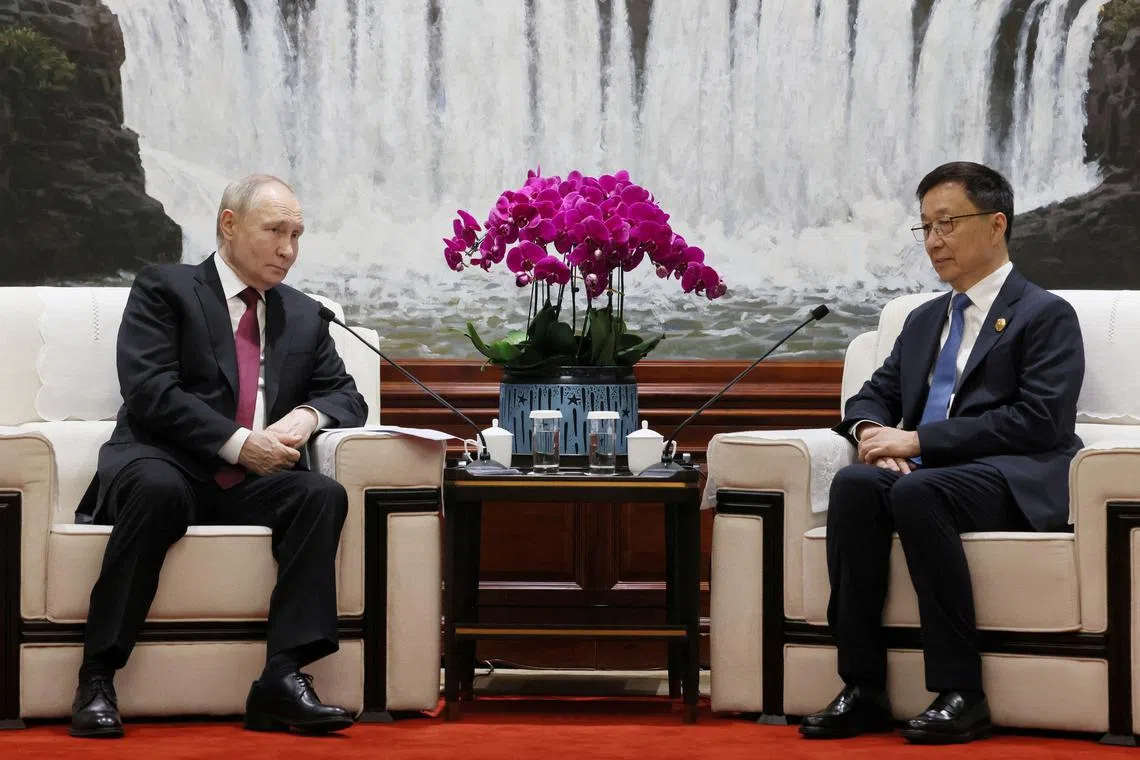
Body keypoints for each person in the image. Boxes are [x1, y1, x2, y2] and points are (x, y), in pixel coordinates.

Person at [70, 174, 368, 738]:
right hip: (166, 461)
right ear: (228, 225)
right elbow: (151, 391)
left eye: (298, 235)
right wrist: (239, 444)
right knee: (157, 491)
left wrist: (307, 417)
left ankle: (282, 679)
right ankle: (97, 676)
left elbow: (346, 395)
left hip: (253, 481)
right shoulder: (166, 288)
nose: (289, 250)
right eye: (275, 231)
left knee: (318, 494)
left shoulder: (304, 314)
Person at [799, 161, 1084, 744]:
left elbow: (1040, 420)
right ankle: (863, 688)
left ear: (997, 224)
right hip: (925, 474)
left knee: (918, 488)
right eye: (925, 227)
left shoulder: (1045, 314)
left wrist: (920, 441)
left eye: (947, 224)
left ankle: (961, 692)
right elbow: (868, 397)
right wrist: (872, 438)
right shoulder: (925, 319)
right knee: (856, 485)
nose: (933, 241)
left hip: (1008, 476)